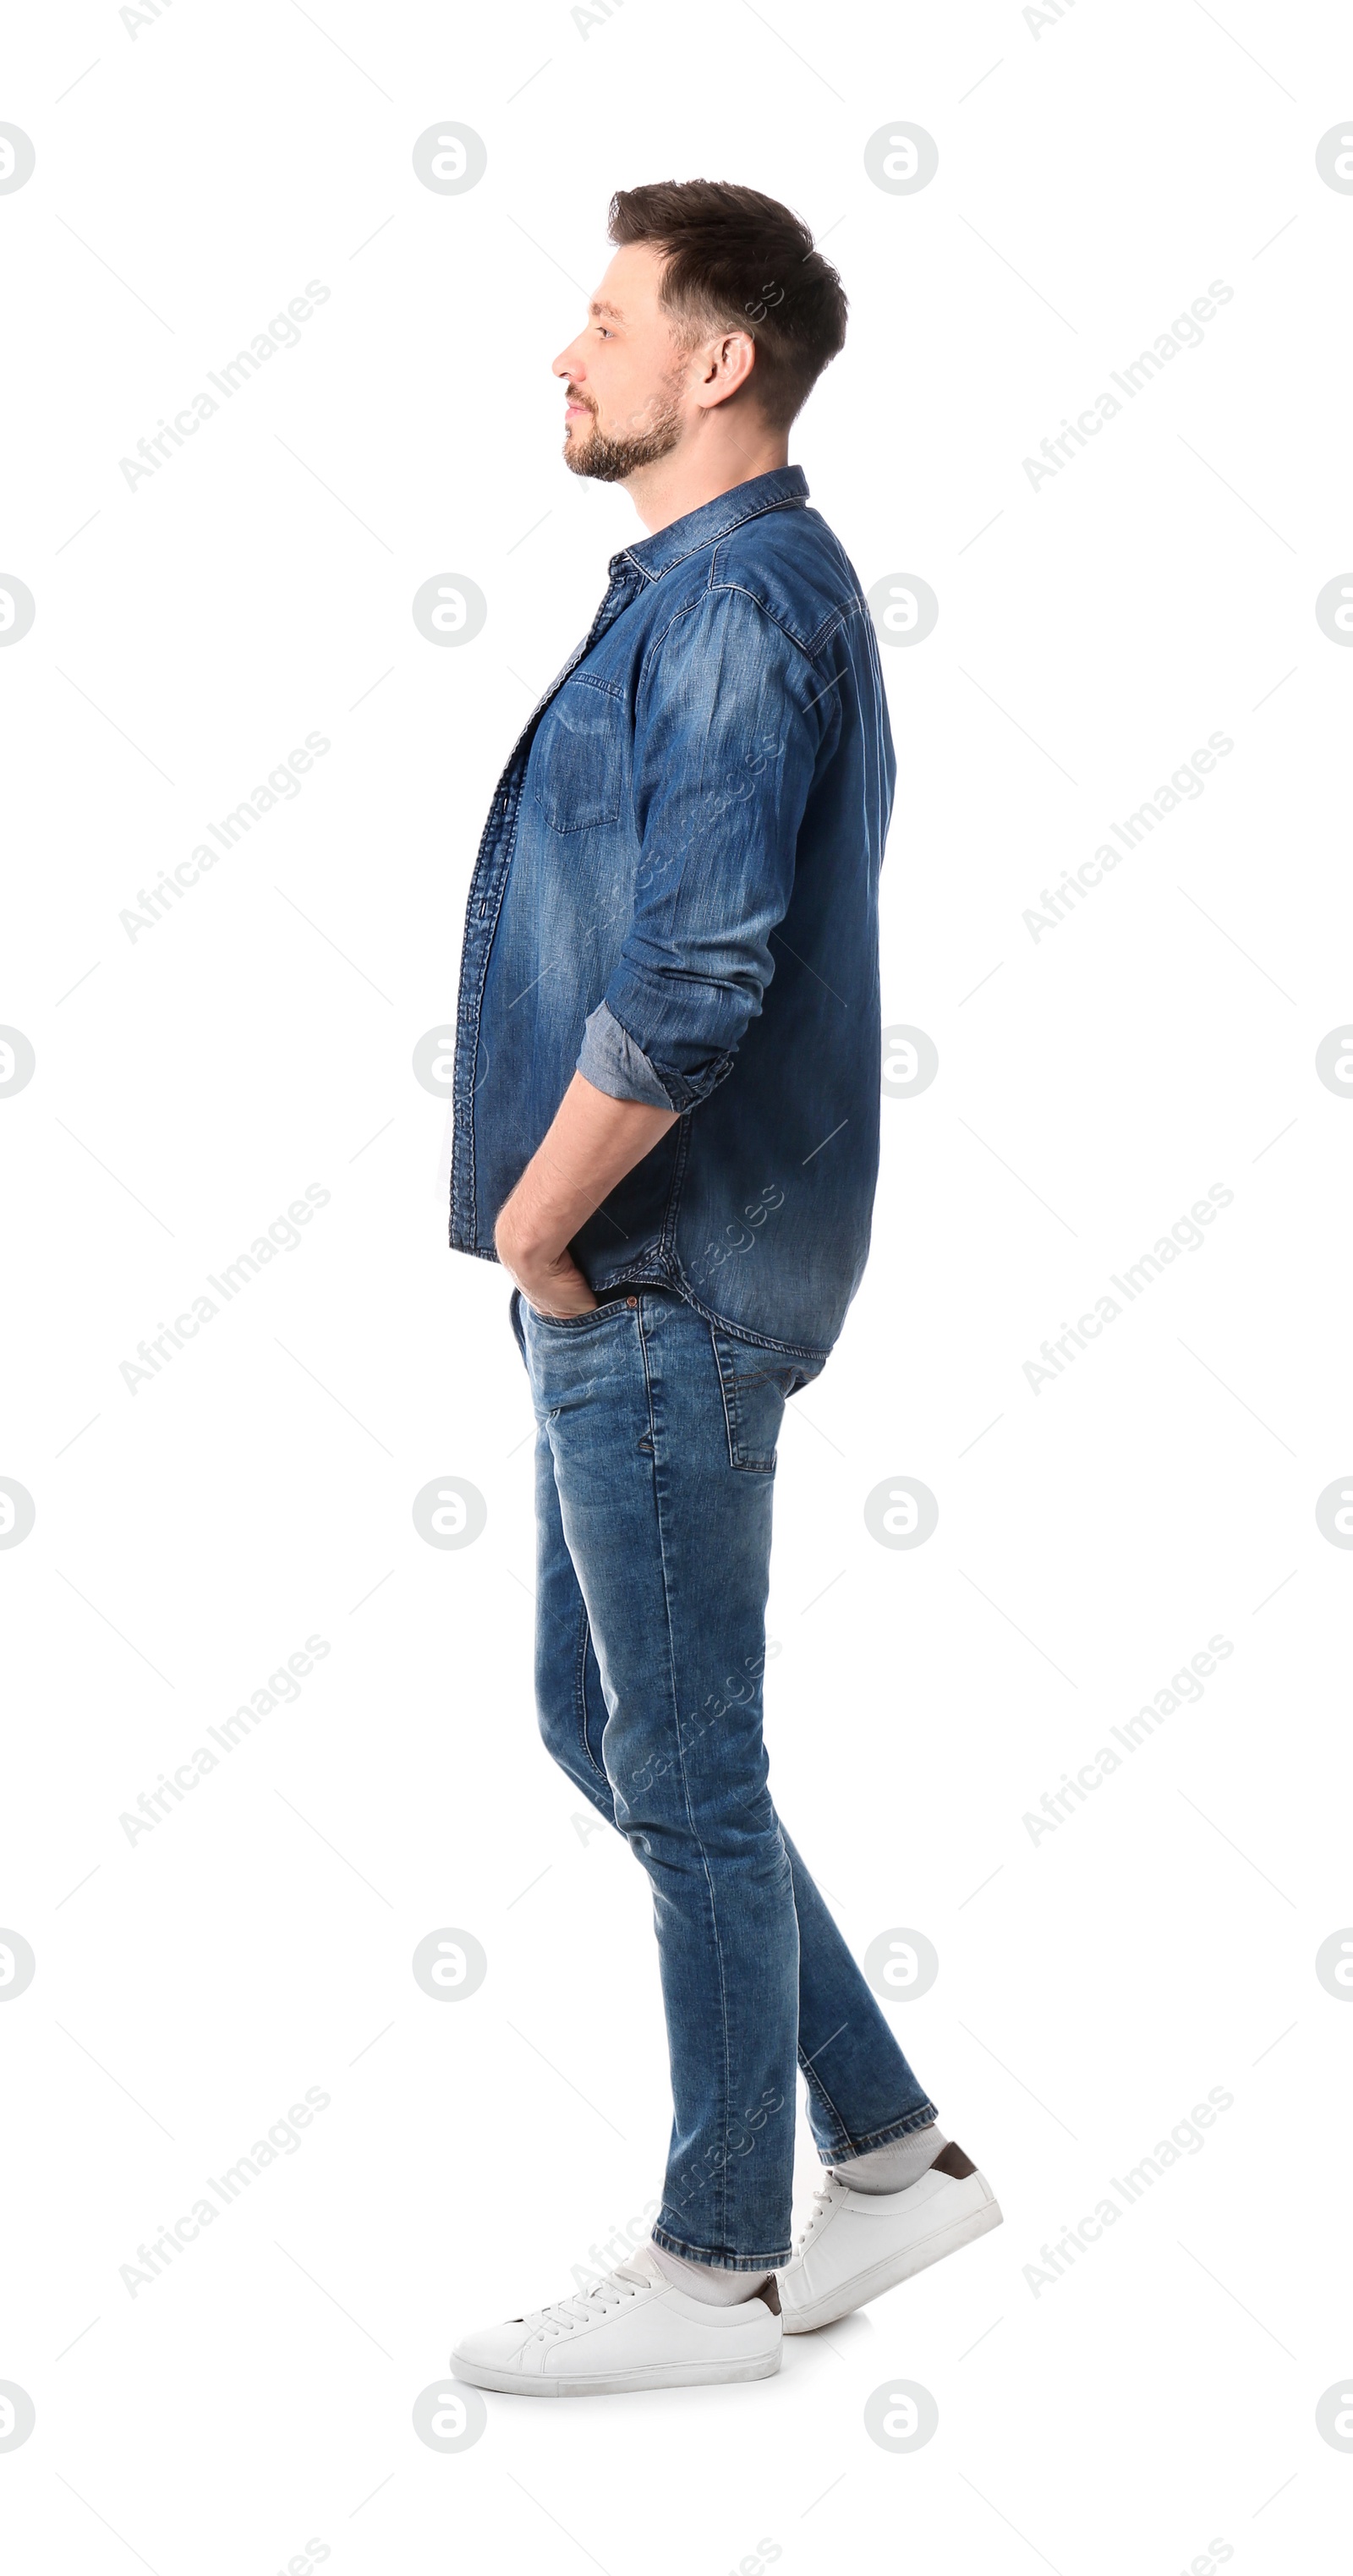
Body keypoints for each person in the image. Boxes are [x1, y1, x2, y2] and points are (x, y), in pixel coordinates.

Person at [446, 179, 1000, 2398]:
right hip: (641, 1258)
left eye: (604, 319)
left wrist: (539, 1223)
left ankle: (713, 2267)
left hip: (659, 1264)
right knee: (613, 1727)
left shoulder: (744, 602)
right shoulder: (707, 588)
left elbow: (693, 979)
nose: (563, 355)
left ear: (717, 365)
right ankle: (887, 2152)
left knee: (681, 1755)